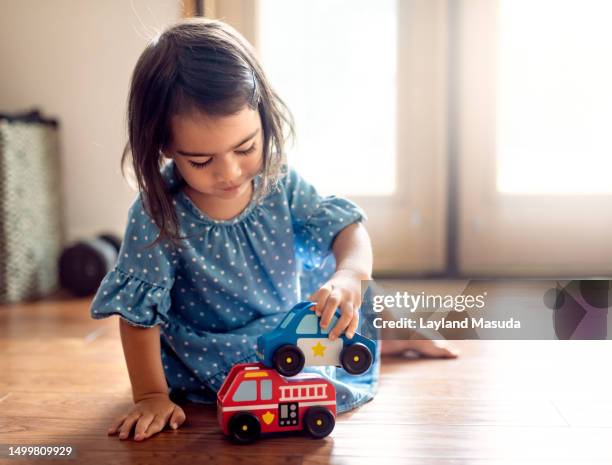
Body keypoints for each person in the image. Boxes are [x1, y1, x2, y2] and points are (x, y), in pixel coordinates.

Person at [90, 17, 457, 442]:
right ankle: (370, 344)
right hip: (215, 343)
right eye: (201, 160)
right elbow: (138, 318)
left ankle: (383, 339)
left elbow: (346, 230)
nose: (229, 172)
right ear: (164, 146)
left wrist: (349, 275)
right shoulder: (158, 213)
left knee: (354, 287)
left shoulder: (277, 182)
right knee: (265, 366)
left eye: (245, 147)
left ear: (264, 118)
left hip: (287, 319)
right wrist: (151, 394)